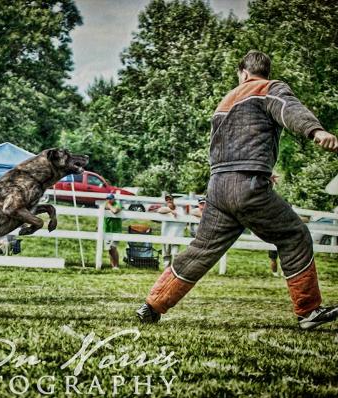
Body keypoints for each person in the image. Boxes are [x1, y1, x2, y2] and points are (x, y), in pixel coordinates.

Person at [136, 50, 338, 330]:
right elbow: (288, 108)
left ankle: (152, 305)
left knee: (201, 249)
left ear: (242, 73)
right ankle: (308, 311)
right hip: (248, 186)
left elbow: (220, 146)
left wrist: (249, 169)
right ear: (260, 72)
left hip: (218, 186)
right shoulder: (269, 88)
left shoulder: (224, 102)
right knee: (295, 236)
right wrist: (315, 130)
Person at [157, 194, 186, 268]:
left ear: (173, 200)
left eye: (170, 199)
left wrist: (173, 211)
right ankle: (166, 270)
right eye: (167, 200)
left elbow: (181, 216)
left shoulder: (180, 209)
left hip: (177, 235)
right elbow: (159, 210)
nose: (169, 201)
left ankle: (174, 269)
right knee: (166, 255)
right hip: (166, 235)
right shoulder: (164, 208)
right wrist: (170, 211)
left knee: (175, 254)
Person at [104, 193, 122, 269]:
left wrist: (109, 206)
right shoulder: (105, 205)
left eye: (110, 199)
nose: (108, 200)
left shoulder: (117, 204)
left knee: (113, 247)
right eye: (107, 199)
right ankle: (112, 266)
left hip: (116, 230)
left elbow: (115, 211)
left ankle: (117, 265)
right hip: (107, 229)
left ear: (113, 199)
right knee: (109, 249)